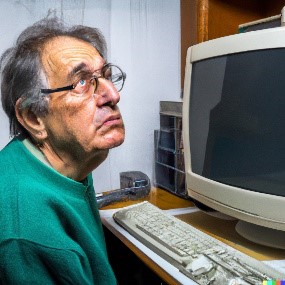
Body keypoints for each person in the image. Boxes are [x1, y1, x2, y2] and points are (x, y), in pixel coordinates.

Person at [0, 16, 126, 284]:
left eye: (105, 76)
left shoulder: (70, 159)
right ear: (34, 117)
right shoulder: (26, 232)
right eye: (81, 82)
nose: (113, 95)